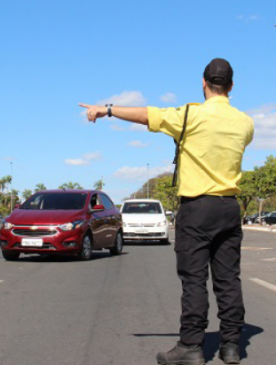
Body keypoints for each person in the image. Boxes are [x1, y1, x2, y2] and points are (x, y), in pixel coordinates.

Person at [79, 58, 254, 365]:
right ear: (231, 87)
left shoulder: (189, 115)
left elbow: (147, 114)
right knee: (228, 279)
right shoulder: (245, 122)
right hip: (229, 208)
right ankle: (230, 346)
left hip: (197, 208)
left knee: (194, 279)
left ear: (203, 83)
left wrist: (106, 109)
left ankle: (191, 346)